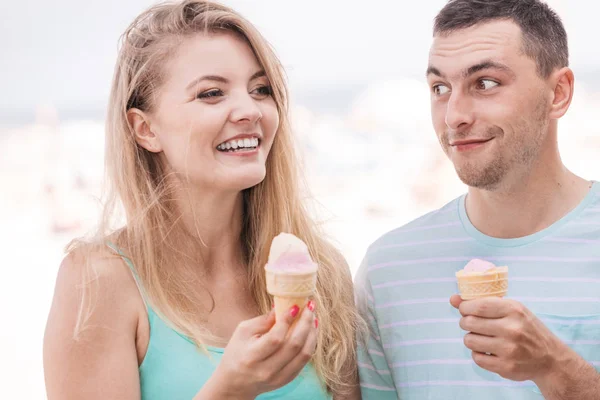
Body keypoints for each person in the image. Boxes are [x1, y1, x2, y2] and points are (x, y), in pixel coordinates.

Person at [43, 1, 362, 399]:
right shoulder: (98, 282)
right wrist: (230, 389)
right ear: (145, 129)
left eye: (261, 89)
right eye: (211, 93)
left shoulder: (324, 273)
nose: (249, 109)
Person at [355, 0, 600, 399]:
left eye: (484, 83)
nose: (453, 115)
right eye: (440, 88)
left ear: (558, 93)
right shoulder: (387, 270)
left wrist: (556, 368)